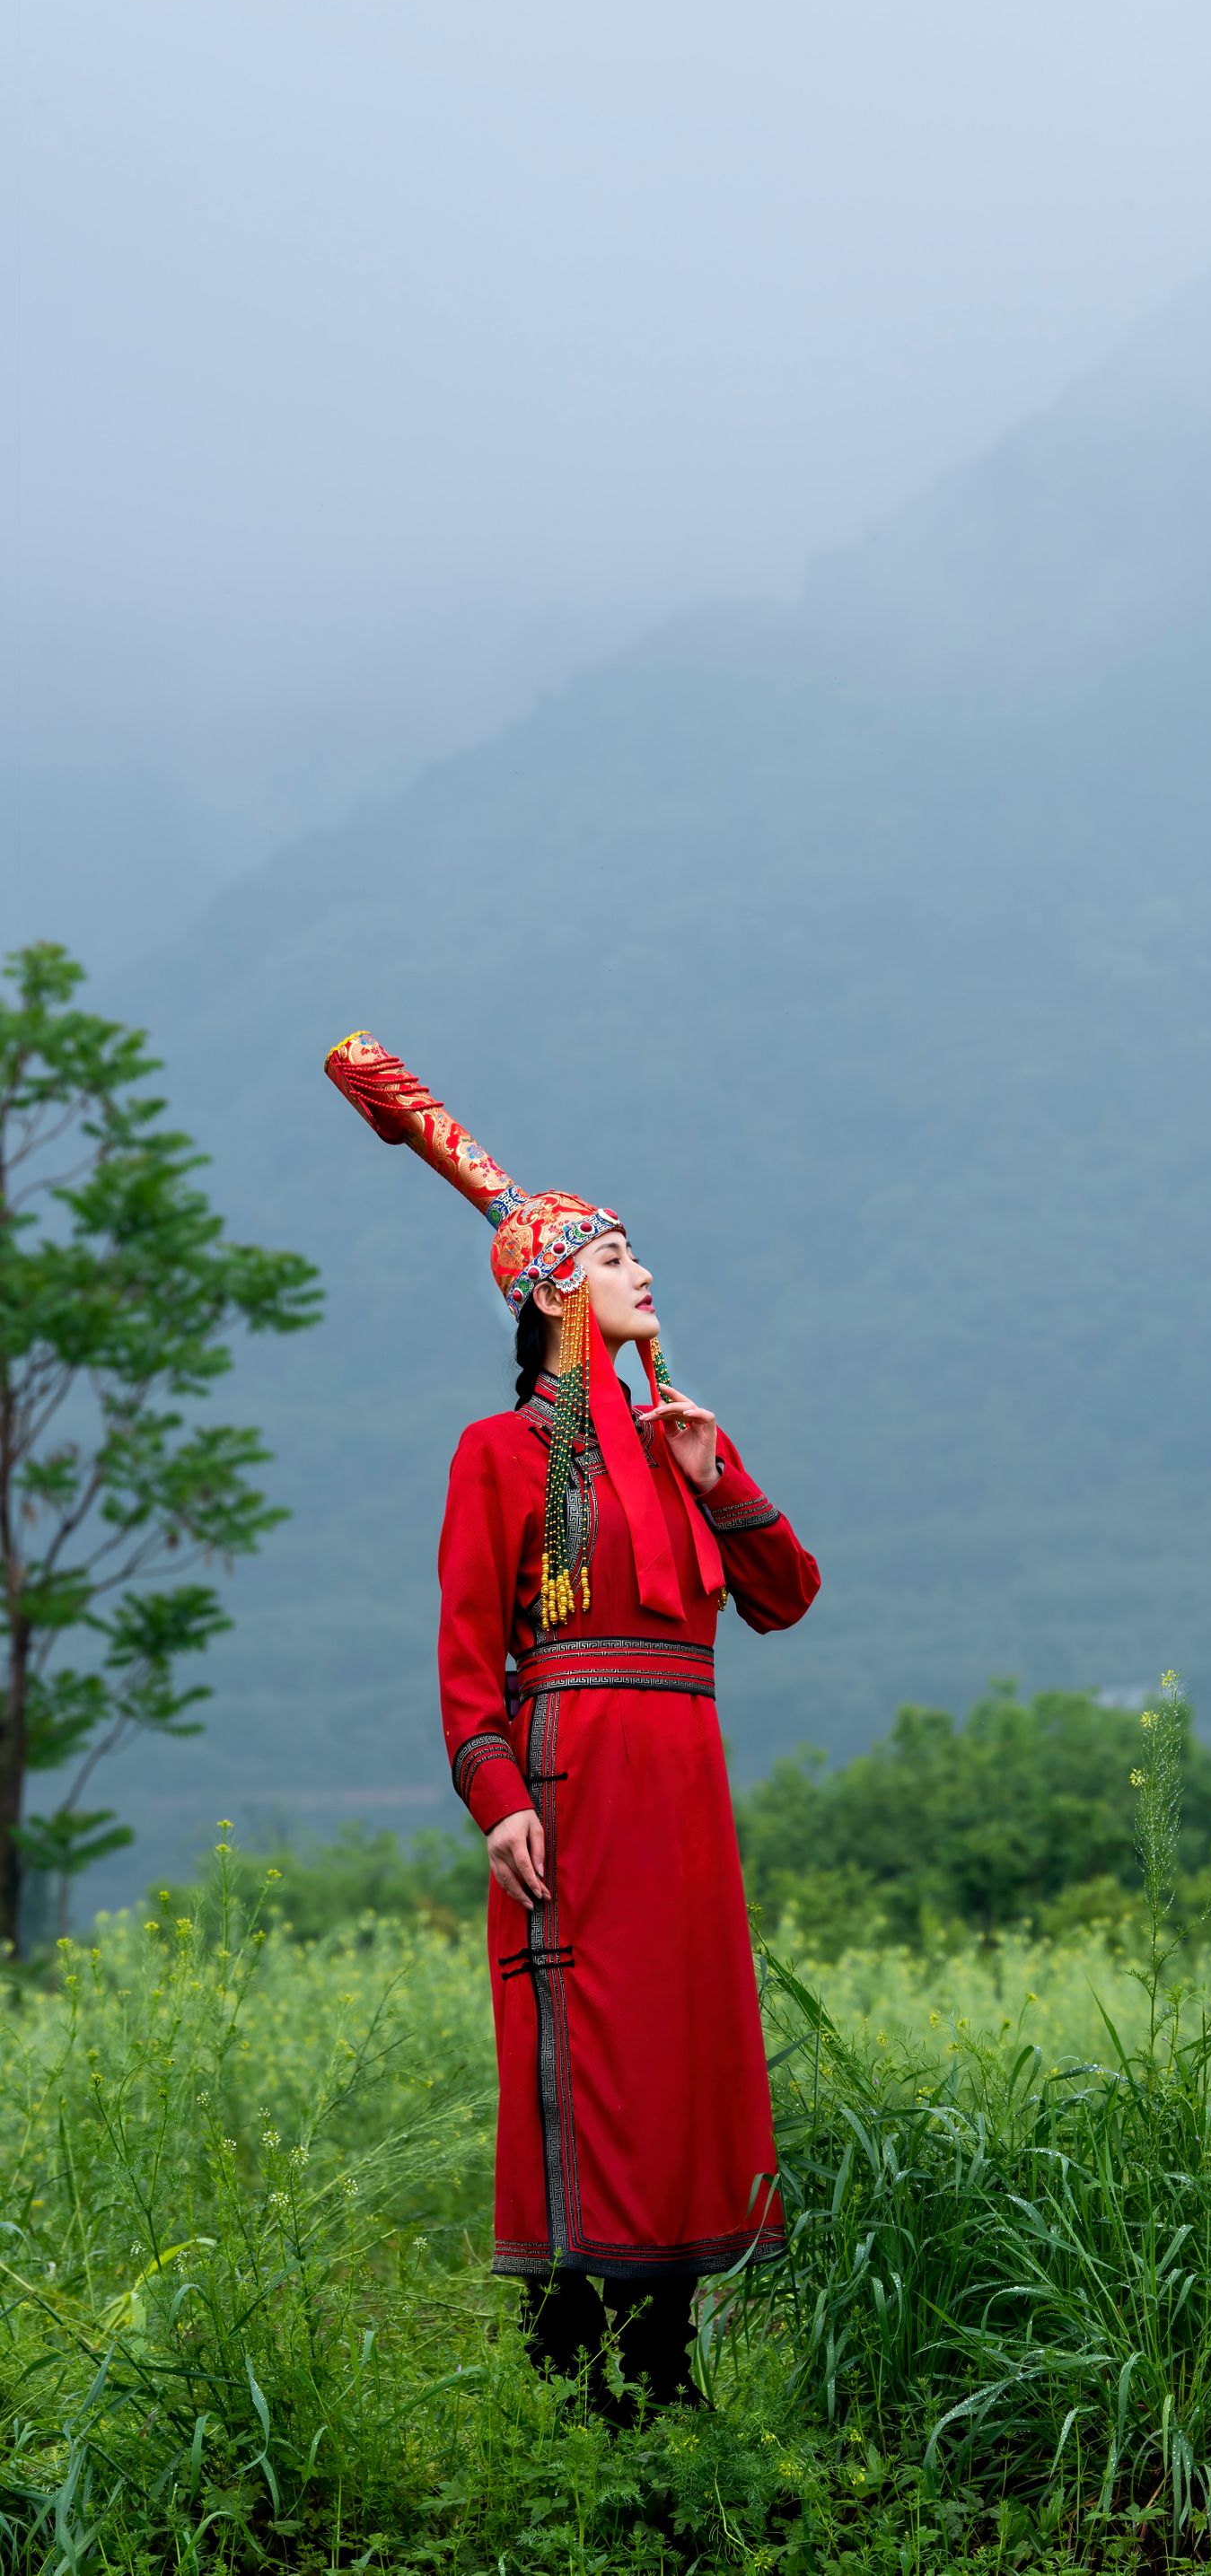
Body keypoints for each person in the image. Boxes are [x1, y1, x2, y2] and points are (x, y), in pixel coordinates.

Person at [323, 1030, 819, 2415]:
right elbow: (467, 1654)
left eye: (634, 1254)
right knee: (585, 2042)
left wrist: (718, 1482)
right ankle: (571, 2367)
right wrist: (501, 1802)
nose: (641, 1272)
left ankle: (666, 2363)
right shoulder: (497, 1458)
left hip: (683, 1778)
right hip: (573, 1774)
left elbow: (784, 1596)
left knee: (683, 2049)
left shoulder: (681, 1441)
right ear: (550, 1294)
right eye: (610, 1258)